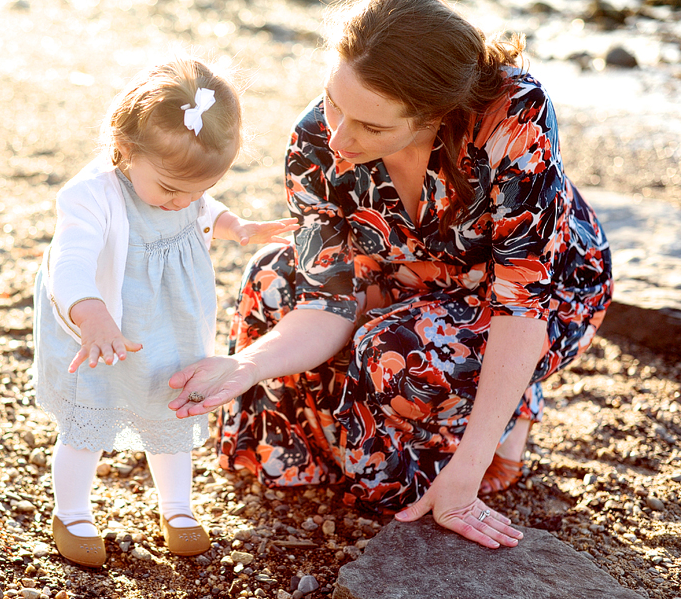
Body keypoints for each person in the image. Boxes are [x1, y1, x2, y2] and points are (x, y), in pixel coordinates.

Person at [168, 0, 612, 549]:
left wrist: (466, 476)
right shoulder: (315, 141)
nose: (339, 139)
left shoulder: (512, 116)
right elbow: (325, 298)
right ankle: (428, 430)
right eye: (334, 103)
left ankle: (502, 416)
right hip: (406, 270)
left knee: (390, 349)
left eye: (372, 125)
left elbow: (523, 303)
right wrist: (246, 365)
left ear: (437, 114)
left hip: (540, 293)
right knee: (273, 279)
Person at [32, 57, 298, 567]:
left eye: (198, 189)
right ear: (128, 149)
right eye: (173, 189)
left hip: (169, 323)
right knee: (86, 418)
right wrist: (92, 317)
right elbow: (70, 266)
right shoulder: (91, 196)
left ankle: (177, 509)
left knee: (172, 403)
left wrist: (237, 227)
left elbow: (205, 210)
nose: (184, 202)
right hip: (102, 330)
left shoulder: (183, 185)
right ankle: (72, 512)